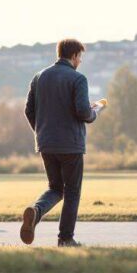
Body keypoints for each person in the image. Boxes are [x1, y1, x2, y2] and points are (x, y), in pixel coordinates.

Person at [19, 38, 104, 247]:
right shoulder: (78, 79)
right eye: (80, 57)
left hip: (46, 144)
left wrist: (42, 132)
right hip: (71, 145)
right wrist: (95, 112)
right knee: (72, 191)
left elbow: (28, 110)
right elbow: (83, 112)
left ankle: (36, 211)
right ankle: (65, 238)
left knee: (55, 188)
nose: (80, 61)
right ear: (74, 56)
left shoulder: (39, 77)